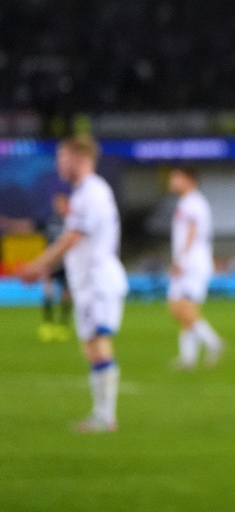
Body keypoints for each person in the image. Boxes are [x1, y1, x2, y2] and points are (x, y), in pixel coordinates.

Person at [18, 134, 129, 432]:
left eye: (62, 157)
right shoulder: (87, 193)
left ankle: (105, 417)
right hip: (90, 280)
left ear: (80, 157)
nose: (59, 164)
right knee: (92, 346)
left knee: (97, 345)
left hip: (96, 281)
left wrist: (38, 266)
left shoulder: (89, 192)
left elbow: (71, 238)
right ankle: (103, 414)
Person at [166, 165, 225, 368]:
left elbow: (192, 232)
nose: (171, 181)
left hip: (193, 264)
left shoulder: (193, 202)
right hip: (189, 262)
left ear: (188, 179)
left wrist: (181, 261)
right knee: (179, 308)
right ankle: (188, 358)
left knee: (182, 308)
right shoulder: (187, 202)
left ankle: (213, 342)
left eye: (176, 177)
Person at [36, 189, 74, 342]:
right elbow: (48, 243)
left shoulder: (72, 222)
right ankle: (48, 324)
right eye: (56, 204)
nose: (58, 206)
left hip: (67, 264)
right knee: (48, 292)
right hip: (52, 264)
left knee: (66, 293)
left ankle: (63, 325)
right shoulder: (51, 221)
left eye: (61, 203)